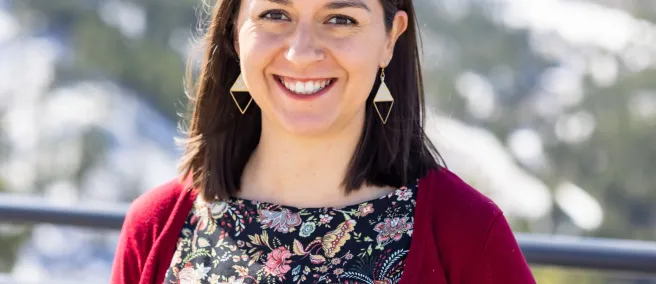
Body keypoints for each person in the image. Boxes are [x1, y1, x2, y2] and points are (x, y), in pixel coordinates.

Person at [111, 0, 536, 283]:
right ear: (235, 30)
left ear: (391, 37)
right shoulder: (156, 227)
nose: (301, 52)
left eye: (341, 19)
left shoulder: (466, 232)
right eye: (276, 14)